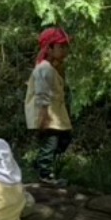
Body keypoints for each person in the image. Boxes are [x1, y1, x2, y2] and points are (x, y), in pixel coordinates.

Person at [25, 28, 72, 182]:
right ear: (49, 48)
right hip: (47, 113)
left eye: (65, 47)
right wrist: (43, 116)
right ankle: (45, 173)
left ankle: (41, 164)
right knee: (51, 142)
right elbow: (41, 93)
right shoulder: (44, 68)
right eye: (61, 47)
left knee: (64, 138)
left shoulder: (53, 68)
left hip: (55, 114)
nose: (64, 51)